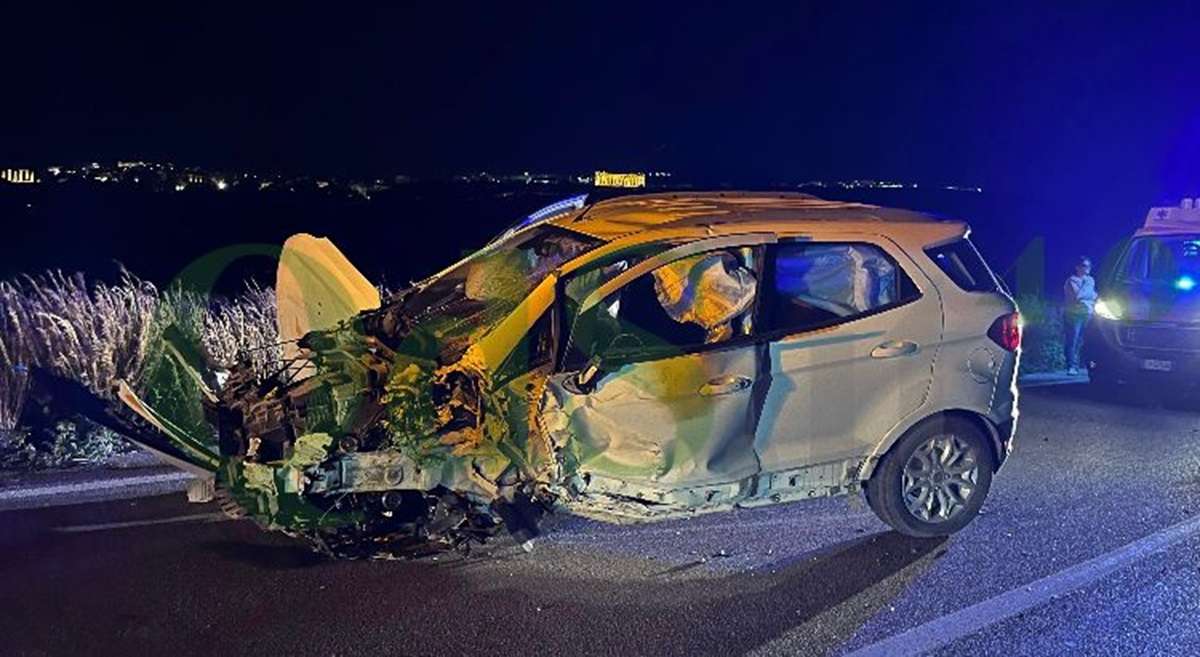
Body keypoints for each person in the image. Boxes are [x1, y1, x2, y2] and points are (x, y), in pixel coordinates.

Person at [1063, 256, 1097, 375]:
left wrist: (1089, 296)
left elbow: (1094, 296)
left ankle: (1081, 364)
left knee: (1083, 340)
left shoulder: (1091, 280)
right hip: (1074, 314)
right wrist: (1090, 294)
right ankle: (1071, 366)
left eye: (1089, 266)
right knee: (1072, 340)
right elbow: (1078, 296)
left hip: (1087, 313)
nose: (1087, 268)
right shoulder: (1071, 280)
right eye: (1084, 266)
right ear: (1077, 267)